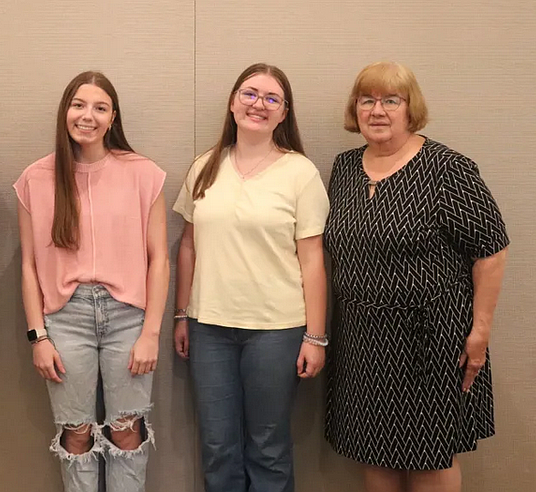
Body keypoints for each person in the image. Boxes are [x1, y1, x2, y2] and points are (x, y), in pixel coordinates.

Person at [324, 61, 509, 492]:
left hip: (430, 339)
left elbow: (492, 253)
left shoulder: (448, 169)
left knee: (429, 457)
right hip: (362, 338)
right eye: (367, 100)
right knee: (373, 451)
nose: (378, 110)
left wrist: (480, 332)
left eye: (392, 100)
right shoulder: (345, 168)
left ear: (410, 109)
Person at [172, 63, 329, 492]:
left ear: (283, 114)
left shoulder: (300, 173)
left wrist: (316, 337)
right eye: (249, 93)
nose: (258, 104)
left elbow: (313, 259)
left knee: (268, 446)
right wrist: (182, 315)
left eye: (271, 98)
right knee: (218, 445)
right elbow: (188, 245)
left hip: (276, 331)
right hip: (209, 329)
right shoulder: (204, 167)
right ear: (232, 103)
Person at [14, 71, 168, 492]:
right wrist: (37, 337)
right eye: (79, 105)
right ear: (65, 111)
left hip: (127, 317)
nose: (88, 116)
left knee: (126, 430)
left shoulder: (143, 174)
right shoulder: (35, 179)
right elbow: (28, 265)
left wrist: (151, 332)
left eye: (100, 108)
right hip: (65, 319)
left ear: (113, 117)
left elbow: (159, 260)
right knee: (76, 434)